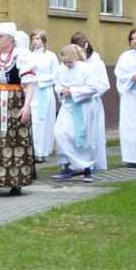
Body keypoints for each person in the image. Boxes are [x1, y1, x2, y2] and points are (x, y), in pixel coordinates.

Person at [0, 22, 37, 196]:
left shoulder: (21, 56)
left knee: (15, 140)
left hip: (14, 102)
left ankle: (15, 182)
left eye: (0, 36)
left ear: (10, 38)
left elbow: (29, 84)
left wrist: (27, 107)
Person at [52, 44, 101, 182]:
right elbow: (56, 84)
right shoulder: (61, 69)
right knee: (60, 133)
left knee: (83, 137)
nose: (67, 65)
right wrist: (61, 90)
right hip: (67, 106)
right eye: (65, 62)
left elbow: (93, 87)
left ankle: (86, 168)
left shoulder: (86, 69)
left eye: (69, 62)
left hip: (83, 106)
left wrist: (73, 91)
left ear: (75, 58)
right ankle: (66, 165)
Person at [70, 32, 109, 171]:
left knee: (92, 134)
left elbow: (104, 84)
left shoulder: (97, 63)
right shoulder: (73, 62)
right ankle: (78, 162)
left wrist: (89, 94)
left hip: (92, 103)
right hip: (76, 103)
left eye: (80, 48)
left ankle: (93, 162)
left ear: (86, 46)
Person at [29, 29, 59, 163]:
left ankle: (42, 152)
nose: (35, 41)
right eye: (33, 38)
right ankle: (34, 151)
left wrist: (40, 80)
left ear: (44, 41)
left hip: (45, 91)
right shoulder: (28, 56)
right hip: (32, 91)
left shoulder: (50, 56)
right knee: (34, 122)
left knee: (44, 122)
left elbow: (56, 74)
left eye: (38, 38)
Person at [114, 28, 136, 167]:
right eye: (132, 39)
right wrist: (131, 77)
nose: (135, 41)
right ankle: (131, 158)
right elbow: (119, 73)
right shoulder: (125, 56)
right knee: (129, 127)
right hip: (129, 95)